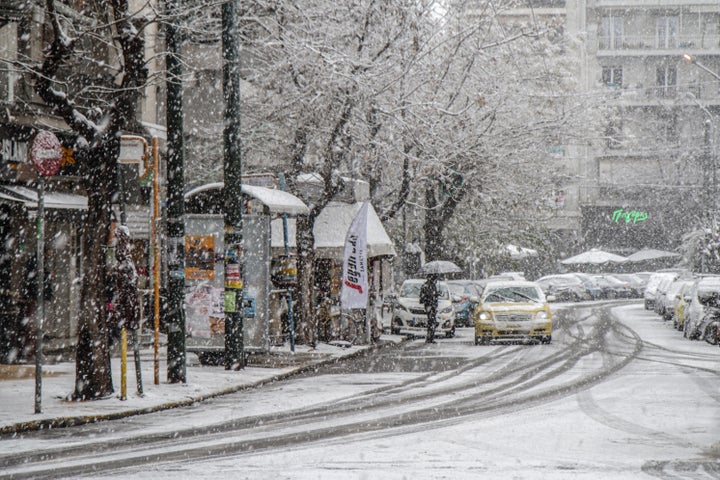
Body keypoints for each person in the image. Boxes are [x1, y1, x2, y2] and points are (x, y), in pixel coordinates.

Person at [420, 274, 439, 343]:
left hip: (431, 306)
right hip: (430, 306)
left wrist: (436, 295)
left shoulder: (429, 285)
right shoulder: (428, 286)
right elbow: (423, 298)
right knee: (432, 322)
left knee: (431, 322)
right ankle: (430, 337)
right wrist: (431, 298)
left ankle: (430, 337)